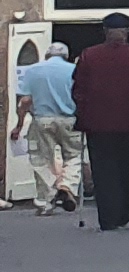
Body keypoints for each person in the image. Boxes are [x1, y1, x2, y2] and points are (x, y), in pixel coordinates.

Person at [71, 14, 129, 232]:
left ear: (104, 30)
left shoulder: (89, 56)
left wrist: (83, 112)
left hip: (97, 123)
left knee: (103, 171)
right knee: (128, 168)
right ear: (128, 30)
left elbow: (78, 89)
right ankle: (125, 210)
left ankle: (108, 217)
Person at [11, 41, 81, 213]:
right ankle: (67, 185)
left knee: (41, 159)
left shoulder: (34, 70)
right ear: (66, 56)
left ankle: (46, 202)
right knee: (74, 155)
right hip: (70, 119)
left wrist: (19, 126)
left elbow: (26, 101)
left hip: (42, 120)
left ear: (47, 55)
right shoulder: (74, 70)